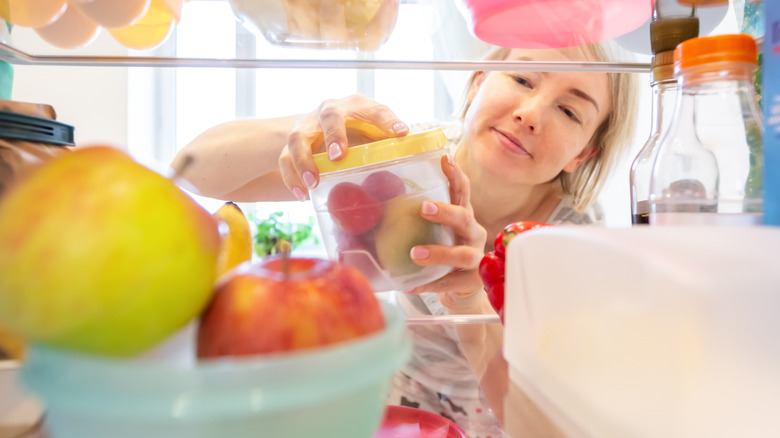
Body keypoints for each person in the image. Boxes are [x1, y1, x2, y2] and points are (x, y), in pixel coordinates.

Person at [172, 42, 638, 438]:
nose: (531, 114)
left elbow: (538, 423)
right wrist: (301, 130)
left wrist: (468, 297)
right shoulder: (406, 161)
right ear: (477, 82)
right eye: (522, 79)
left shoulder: (572, 244)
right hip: (380, 415)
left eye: (570, 110)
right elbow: (193, 169)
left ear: (584, 153)